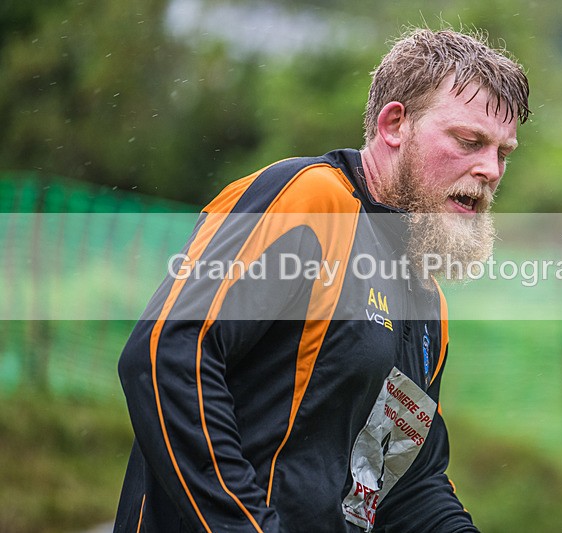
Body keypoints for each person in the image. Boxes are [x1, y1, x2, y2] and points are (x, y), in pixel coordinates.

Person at [114, 26, 529, 533]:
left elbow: (406, 482)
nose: (491, 169)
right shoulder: (311, 201)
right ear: (394, 125)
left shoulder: (429, 305)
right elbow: (166, 355)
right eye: (469, 141)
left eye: (503, 153)